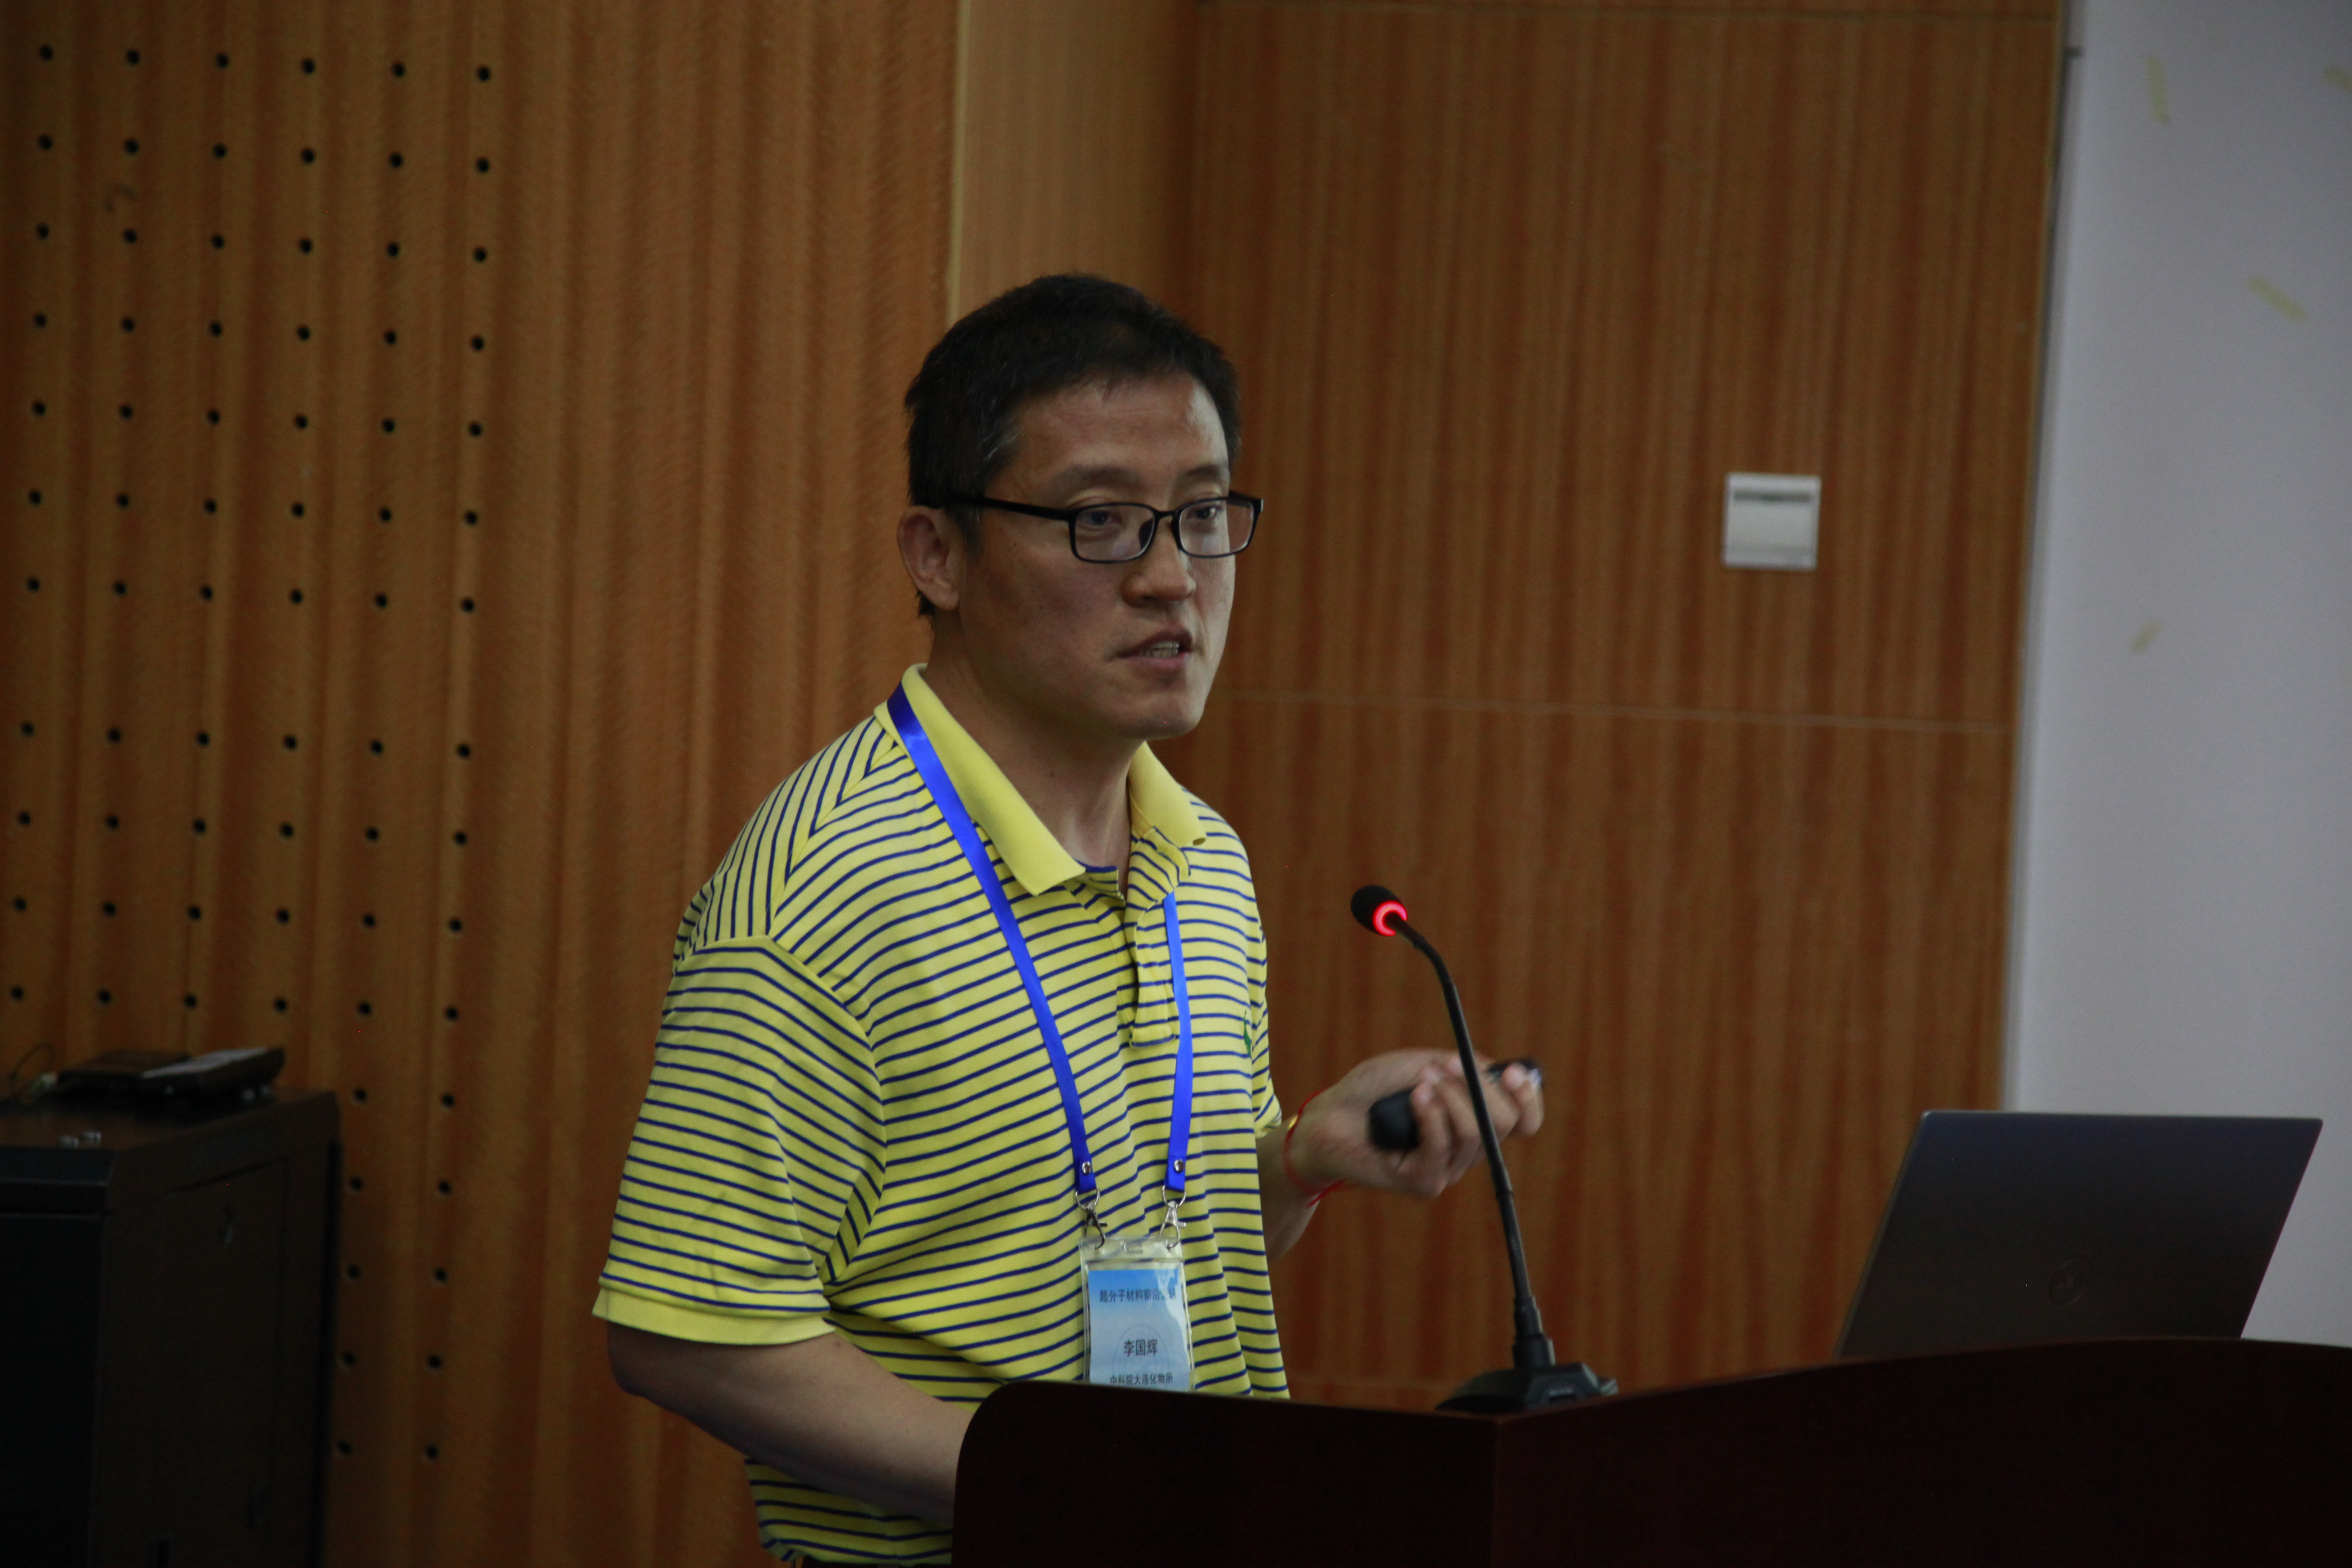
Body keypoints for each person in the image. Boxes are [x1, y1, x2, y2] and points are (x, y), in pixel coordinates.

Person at [596, 275, 1543, 1565]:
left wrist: (1297, 1163)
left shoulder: (1203, 859)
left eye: (1202, 515)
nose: (1172, 578)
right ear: (937, 554)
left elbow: (1152, 1249)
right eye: (1101, 521)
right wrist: (1062, 1492)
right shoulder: (827, 891)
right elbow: (685, 1334)